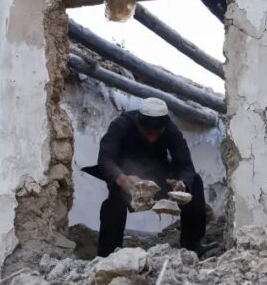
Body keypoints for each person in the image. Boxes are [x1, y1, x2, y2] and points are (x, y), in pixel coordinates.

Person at [87, 97, 211, 257]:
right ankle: (107, 255)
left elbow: (185, 165)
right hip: (128, 182)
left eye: (157, 133)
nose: (152, 138)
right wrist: (121, 178)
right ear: (139, 123)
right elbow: (105, 159)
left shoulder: (170, 130)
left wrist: (181, 183)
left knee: (196, 183)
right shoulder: (121, 124)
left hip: (160, 180)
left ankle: (192, 247)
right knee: (113, 204)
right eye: (148, 133)